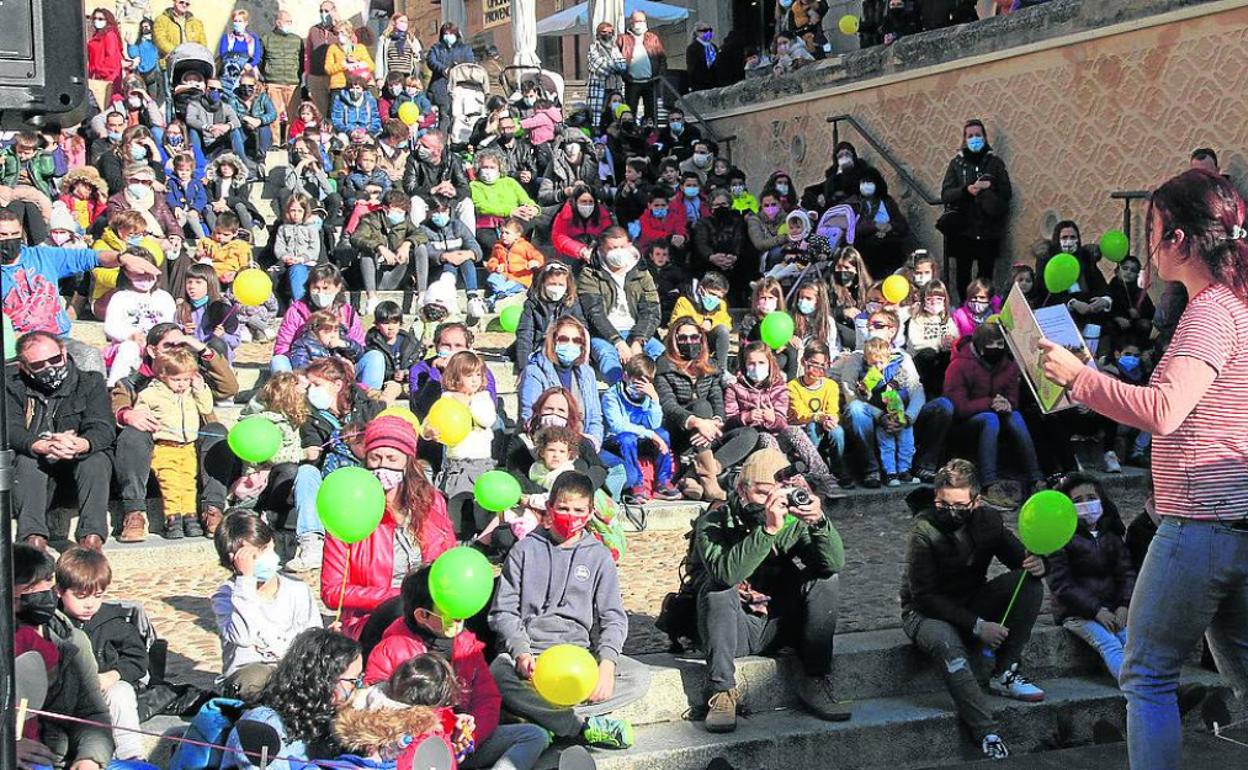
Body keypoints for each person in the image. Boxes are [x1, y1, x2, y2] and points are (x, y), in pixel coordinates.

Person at [1036, 169, 1248, 769]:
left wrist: (1080, 381)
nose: (1146, 246)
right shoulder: (1239, 305)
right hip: (1237, 517)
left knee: (1147, 676)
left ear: (1179, 240)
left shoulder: (1210, 312)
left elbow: (1163, 410)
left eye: (1152, 230)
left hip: (1199, 524)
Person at [900, 459, 1048, 761]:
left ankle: (1004, 670)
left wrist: (1039, 563)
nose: (949, 512)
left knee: (1029, 583)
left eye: (958, 505)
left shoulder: (988, 521)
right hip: (925, 613)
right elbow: (924, 595)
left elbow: (1018, 558)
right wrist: (978, 626)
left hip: (972, 600)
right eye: (942, 504)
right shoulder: (923, 530)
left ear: (975, 501)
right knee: (947, 644)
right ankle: (986, 731)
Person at [489, 471, 648, 750]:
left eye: (578, 510)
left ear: (589, 514)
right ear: (549, 508)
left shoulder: (599, 556)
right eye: (563, 508)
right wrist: (520, 650)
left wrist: (607, 665)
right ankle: (580, 727)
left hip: (579, 659)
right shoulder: (524, 550)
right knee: (497, 673)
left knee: (639, 677)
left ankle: (541, 717)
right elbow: (503, 611)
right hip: (531, 660)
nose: (570, 515)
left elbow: (612, 616)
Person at [696, 447, 850, 733]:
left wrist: (819, 523)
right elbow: (726, 573)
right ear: (742, 490)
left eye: (780, 492)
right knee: (717, 588)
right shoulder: (716, 521)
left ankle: (815, 679)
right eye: (763, 493)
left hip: (779, 625)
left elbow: (833, 564)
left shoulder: (794, 523)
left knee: (825, 580)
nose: (772, 502)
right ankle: (721, 692)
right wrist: (767, 530)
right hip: (734, 628)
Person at [365, 567, 552, 770]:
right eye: (449, 609)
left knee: (534, 735)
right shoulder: (390, 650)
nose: (459, 615)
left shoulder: (466, 644)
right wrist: (446, 727)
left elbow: (487, 698)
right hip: (416, 752)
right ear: (422, 615)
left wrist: (470, 737)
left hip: (463, 747)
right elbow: (378, 712)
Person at [320, 416, 456, 639]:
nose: (383, 465)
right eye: (375, 457)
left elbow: (448, 562)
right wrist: (399, 597)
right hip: (374, 618)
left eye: (392, 458)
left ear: (408, 461)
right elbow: (332, 591)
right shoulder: (348, 509)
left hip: (430, 614)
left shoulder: (432, 502)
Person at [3, 210, 158, 372]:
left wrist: (122, 259)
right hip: (16, 345)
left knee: (89, 357)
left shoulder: (42, 256)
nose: (9, 240)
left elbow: (90, 257)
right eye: (3, 235)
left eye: (14, 234)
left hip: (57, 339)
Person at [6, 331, 115, 551]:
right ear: (23, 367)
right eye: (38, 365)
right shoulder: (12, 387)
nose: (50, 368)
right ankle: (33, 542)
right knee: (27, 462)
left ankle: (91, 541)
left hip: (78, 468)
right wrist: (39, 445)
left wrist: (82, 444)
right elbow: (10, 429)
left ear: (64, 353)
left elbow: (103, 427)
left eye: (55, 360)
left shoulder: (90, 382)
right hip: (36, 473)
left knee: (96, 460)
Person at [13, 544, 114, 770]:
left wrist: (89, 759)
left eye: (47, 582)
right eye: (30, 588)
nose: (43, 594)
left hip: (62, 759)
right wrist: (7, 747)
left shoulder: (73, 641)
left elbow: (93, 714)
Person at [920, 321, 1041, 504]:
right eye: (990, 344)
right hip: (964, 424)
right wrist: (990, 403)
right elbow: (959, 407)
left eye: (1000, 344)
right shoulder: (959, 365)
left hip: (998, 416)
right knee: (990, 418)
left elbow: (1013, 398)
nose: (995, 349)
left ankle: (1036, 478)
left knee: (1015, 416)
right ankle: (989, 483)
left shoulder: (1008, 366)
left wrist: (1007, 404)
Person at [212, 511, 322, 700]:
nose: (264, 558)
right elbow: (243, 636)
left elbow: (312, 637)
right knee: (258, 680)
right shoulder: (227, 596)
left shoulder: (297, 589)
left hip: (293, 670)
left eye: (266, 548)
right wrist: (245, 580)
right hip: (251, 675)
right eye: (253, 556)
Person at [221, 628, 362, 770]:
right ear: (325, 681)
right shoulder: (264, 726)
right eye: (353, 681)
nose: (358, 688)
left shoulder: (328, 723)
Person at [54, 547, 147, 761]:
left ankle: (130, 756)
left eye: (98, 596)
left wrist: (113, 675)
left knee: (121, 692)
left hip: (104, 693)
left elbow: (138, 659)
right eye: (80, 596)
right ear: (59, 590)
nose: (89, 604)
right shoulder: (51, 622)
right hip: (63, 698)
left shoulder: (113, 623)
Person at [655, 318, 759, 501]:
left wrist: (715, 423)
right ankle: (710, 481)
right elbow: (668, 405)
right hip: (681, 431)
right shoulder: (664, 366)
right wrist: (697, 422)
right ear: (674, 340)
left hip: (708, 433)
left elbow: (717, 400)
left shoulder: (710, 366)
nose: (689, 342)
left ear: (701, 339)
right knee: (702, 406)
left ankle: (694, 476)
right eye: (683, 338)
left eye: (694, 337)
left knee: (750, 434)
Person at [830, 310, 924, 488]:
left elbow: (916, 390)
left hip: (899, 413)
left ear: (892, 330)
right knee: (856, 409)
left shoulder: (901, 358)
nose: (871, 329)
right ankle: (872, 470)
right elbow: (852, 395)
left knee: (907, 440)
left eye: (878, 325)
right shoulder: (857, 358)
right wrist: (881, 415)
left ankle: (905, 470)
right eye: (869, 325)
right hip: (872, 414)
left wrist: (908, 417)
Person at [577, 228, 663, 385]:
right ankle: (621, 393)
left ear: (629, 245)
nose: (618, 252)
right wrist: (618, 341)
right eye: (612, 248)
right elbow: (594, 313)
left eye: (622, 247)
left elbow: (652, 311)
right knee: (607, 358)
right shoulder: (590, 274)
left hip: (637, 331)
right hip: (604, 335)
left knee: (661, 354)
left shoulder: (642, 273)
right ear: (602, 249)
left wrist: (639, 340)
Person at [940, 119, 1012, 294]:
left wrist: (990, 186)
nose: (974, 139)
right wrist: (966, 190)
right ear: (964, 139)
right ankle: (965, 310)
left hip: (988, 229)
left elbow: (1006, 192)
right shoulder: (957, 164)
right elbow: (946, 193)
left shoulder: (994, 162)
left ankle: (984, 307)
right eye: (970, 136)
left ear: (985, 137)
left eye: (977, 135)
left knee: (986, 274)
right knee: (963, 274)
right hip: (962, 229)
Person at [518, 316, 605, 450]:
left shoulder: (588, 373)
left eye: (576, 341)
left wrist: (593, 442)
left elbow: (595, 417)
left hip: (584, 444)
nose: (570, 344)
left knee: (620, 467)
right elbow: (529, 417)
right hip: (548, 447)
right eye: (564, 339)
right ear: (553, 341)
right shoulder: (534, 372)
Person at [602, 355, 680, 504]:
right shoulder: (611, 395)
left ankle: (662, 482)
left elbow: (654, 424)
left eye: (645, 382)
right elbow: (617, 426)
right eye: (636, 381)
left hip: (642, 438)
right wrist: (650, 434)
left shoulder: (648, 396)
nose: (639, 387)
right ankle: (637, 484)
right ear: (626, 376)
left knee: (663, 434)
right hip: (617, 441)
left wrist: (655, 400)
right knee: (628, 438)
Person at [351, 190, 422, 315]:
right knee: (366, 253)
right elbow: (356, 238)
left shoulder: (405, 222)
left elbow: (421, 234)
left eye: (403, 212)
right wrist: (379, 247)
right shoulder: (370, 219)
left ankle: (422, 297)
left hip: (396, 272)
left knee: (421, 248)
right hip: (375, 274)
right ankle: (371, 299)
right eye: (397, 212)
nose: (400, 215)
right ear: (385, 208)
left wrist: (407, 244)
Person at [471, 151, 540, 252]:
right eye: (485, 167)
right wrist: (510, 211)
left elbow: (525, 200)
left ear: (499, 168)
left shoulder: (509, 182)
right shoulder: (474, 185)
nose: (488, 171)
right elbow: (481, 207)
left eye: (492, 167)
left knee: (530, 221)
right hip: (489, 226)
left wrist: (534, 209)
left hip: (514, 221)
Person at [852, 167, 910, 277]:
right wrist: (875, 226)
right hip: (865, 243)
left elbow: (902, 225)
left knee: (893, 246)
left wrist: (889, 227)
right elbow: (853, 227)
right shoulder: (854, 203)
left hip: (889, 240)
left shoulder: (887, 202)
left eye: (869, 182)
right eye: (863, 182)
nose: (866, 185)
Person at [260, 10, 305, 144]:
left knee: (293, 115)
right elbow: (262, 60)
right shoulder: (266, 38)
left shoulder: (297, 40)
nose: (289, 24)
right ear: (278, 22)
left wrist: (298, 75)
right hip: (273, 82)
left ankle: (290, 141)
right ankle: (275, 142)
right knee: (273, 114)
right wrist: (265, 77)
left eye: (290, 21)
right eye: (287, 21)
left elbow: (301, 60)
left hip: (292, 83)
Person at [617, 11, 666, 120]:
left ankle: (650, 133)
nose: (640, 24)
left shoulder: (653, 38)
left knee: (651, 113)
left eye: (642, 21)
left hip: (650, 82)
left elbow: (662, 58)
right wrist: (625, 76)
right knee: (630, 112)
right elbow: (617, 59)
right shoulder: (623, 39)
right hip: (632, 83)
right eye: (637, 21)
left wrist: (659, 76)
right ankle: (631, 132)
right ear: (631, 22)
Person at [425, 23, 474, 130]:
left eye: (450, 33)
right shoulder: (436, 48)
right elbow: (431, 61)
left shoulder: (464, 48)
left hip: (460, 86)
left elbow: (470, 64)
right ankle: (443, 141)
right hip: (440, 87)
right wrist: (443, 69)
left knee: (459, 115)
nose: (448, 36)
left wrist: (458, 69)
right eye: (445, 33)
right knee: (445, 115)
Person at [486, 218, 545, 306]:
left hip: (519, 278)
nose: (503, 236)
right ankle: (503, 295)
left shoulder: (524, 246)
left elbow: (537, 256)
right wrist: (495, 266)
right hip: (503, 277)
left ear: (517, 235)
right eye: (502, 232)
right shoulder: (498, 246)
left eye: (507, 233)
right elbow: (493, 259)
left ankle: (491, 301)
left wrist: (535, 262)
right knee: (492, 278)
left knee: (510, 285)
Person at [587, 22, 628, 132]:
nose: (607, 35)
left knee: (616, 116)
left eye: (610, 32)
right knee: (599, 119)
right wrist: (614, 65)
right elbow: (600, 68)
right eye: (604, 32)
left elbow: (623, 65)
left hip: (615, 89)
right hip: (600, 89)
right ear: (598, 34)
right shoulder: (593, 48)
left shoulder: (615, 49)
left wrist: (609, 63)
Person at [232, 70, 277, 164]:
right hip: (242, 129)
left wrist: (260, 121)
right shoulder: (233, 97)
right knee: (235, 129)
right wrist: (244, 118)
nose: (246, 88)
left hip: (259, 131)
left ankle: (261, 159)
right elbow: (231, 113)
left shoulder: (263, 97)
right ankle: (242, 158)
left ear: (256, 86)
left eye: (250, 86)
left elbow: (273, 114)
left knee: (264, 127)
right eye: (243, 85)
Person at [305, 2, 341, 115]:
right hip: (317, 76)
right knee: (320, 113)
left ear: (334, 11)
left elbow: (352, 45)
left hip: (336, 76)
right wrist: (307, 73)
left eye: (326, 11)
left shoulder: (341, 29)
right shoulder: (314, 30)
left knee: (337, 111)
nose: (323, 14)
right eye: (321, 11)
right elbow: (308, 54)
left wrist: (338, 23)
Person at [325, 23, 376, 98]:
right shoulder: (332, 48)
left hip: (358, 86)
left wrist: (357, 62)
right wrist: (343, 64)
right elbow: (328, 69)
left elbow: (372, 66)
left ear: (349, 33)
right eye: (337, 33)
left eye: (342, 32)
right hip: (339, 86)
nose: (339, 35)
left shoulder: (360, 48)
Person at [153, 0, 207, 67]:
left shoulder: (197, 23)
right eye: (181, 2)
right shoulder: (161, 19)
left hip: (193, 63)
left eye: (187, 4)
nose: (184, 5)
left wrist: (196, 55)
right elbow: (160, 40)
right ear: (174, 2)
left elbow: (203, 44)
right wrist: (178, 53)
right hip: (171, 63)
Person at [375, 13, 422, 87]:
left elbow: (419, 57)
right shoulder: (385, 39)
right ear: (394, 22)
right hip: (391, 76)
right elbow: (379, 59)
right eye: (401, 21)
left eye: (406, 22)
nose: (404, 24)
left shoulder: (411, 38)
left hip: (407, 76)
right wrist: (379, 78)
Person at [686, 22, 720, 92]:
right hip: (701, 86)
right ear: (697, 33)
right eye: (705, 31)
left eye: (710, 30)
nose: (708, 33)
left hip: (715, 84)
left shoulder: (713, 46)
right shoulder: (693, 48)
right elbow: (693, 69)